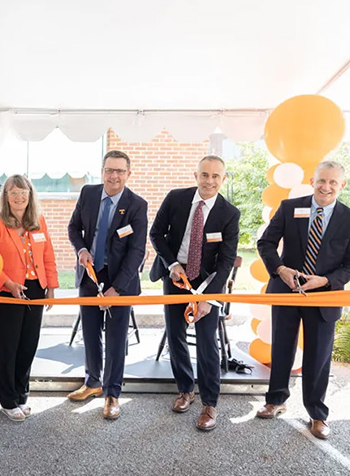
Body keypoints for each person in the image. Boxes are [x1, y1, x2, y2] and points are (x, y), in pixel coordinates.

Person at [256, 161, 350, 440]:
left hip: (325, 296)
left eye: (333, 182)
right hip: (286, 289)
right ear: (312, 180)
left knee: (318, 355)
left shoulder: (348, 217)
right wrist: (281, 270)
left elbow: (348, 265)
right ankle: (275, 400)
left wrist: (325, 281)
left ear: (342, 185)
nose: (326, 187)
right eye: (322, 180)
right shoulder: (289, 207)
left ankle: (317, 414)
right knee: (282, 348)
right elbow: (265, 243)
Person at [149, 155, 240, 431]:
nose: (209, 181)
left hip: (208, 280)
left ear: (223, 179)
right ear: (195, 175)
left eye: (215, 176)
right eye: (204, 175)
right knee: (175, 334)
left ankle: (209, 403)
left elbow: (226, 261)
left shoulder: (229, 213)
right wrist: (172, 263)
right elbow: (156, 234)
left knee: (207, 341)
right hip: (176, 275)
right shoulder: (176, 198)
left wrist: (208, 297)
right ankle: (185, 390)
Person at [67, 150, 147, 420]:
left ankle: (112, 394)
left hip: (120, 281)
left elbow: (137, 252)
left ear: (128, 174)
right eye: (110, 170)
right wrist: (80, 249)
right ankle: (92, 382)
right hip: (90, 275)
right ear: (102, 171)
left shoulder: (137, 205)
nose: (114, 176)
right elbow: (73, 227)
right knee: (89, 333)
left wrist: (118, 289)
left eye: (120, 171)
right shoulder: (88, 194)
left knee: (115, 339)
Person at [0, 175, 58, 422]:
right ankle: (7, 399)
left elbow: (48, 256)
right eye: (13, 192)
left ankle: (21, 393)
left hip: (35, 289)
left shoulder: (39, 222)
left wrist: (50, 286)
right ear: (6, 196)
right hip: (8, 292)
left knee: (29, 344)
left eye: (23, 192)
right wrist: (7, 282)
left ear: (30, 195)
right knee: (9, 346)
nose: (19, 197)